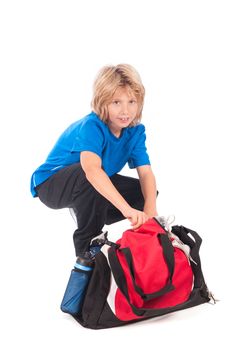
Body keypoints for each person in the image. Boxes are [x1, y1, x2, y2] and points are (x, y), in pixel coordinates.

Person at [30, 63, 158, 262]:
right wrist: (127, 210)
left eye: (131, 102)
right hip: (51, 183)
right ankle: (88, 245)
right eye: (116, 102)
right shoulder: (92, 126)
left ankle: (92, 209)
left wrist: (150, 210)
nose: (125, 111)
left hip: (90, 183)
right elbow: (91, 170)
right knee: (90, 176)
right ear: (102, 102)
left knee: (147, 192)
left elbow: (146, 173)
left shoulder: (135, 131)